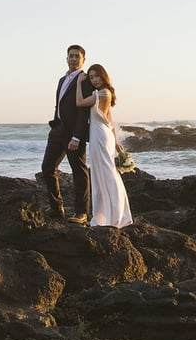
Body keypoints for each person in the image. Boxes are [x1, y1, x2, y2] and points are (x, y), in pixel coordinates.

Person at [75, 63, 133, 229]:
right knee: (103, 173)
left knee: (106, 174)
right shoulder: (103, 93)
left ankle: (113, 214)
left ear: (104, 76)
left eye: (97, 76)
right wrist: (115, 142)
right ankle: (106, 214)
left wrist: (79, 82)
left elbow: (79, 102)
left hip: (100, 136)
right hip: (102, 135)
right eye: (91, 77)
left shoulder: (102, 93)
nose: (94, 80)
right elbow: (110, 120)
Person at [41, 44, 92, 223]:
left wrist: (77, 136)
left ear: (83, 59)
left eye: (77, 56)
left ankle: (81, 212)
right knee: (47, 168)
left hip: (73, 133)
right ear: (66, 58)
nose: (73, 59)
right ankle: (57, 208)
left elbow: (83, 111)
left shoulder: (85, 80)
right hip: (58, 130)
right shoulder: (62, 80)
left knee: (79, 172)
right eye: (70, 56)